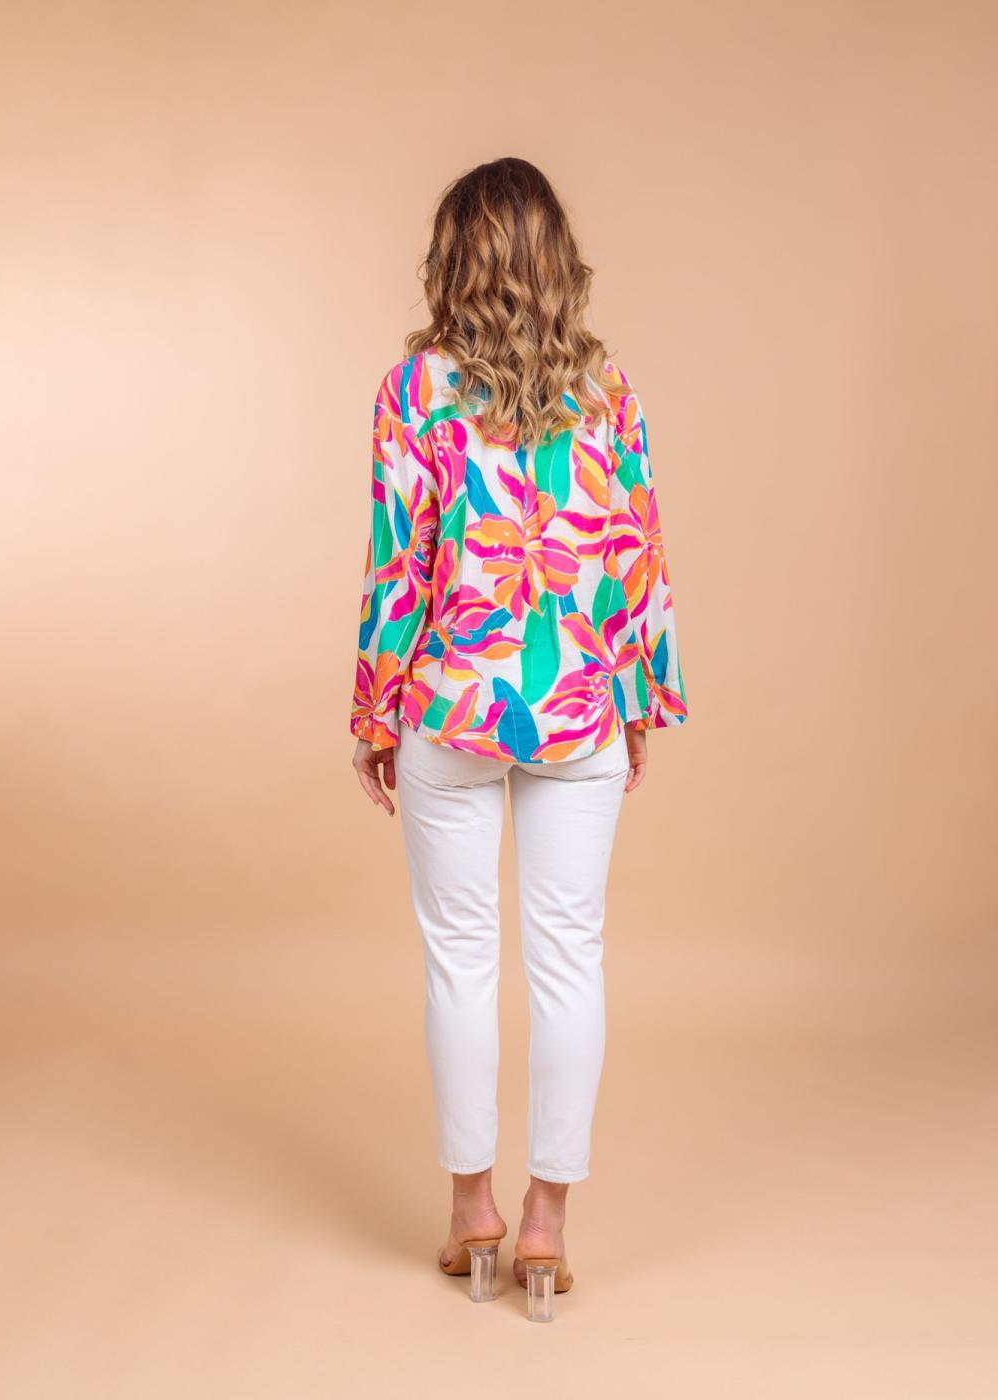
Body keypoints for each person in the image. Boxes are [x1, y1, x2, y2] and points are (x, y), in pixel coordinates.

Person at [349, 157, 688, 1321]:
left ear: (452, 260)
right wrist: (636, 699)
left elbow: (399, 563)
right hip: (577, 703)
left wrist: (373, 709)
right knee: (566, 957)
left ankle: (472, 1214)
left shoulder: (414, 390)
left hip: (451, 703)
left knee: (459, 957)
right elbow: (636, 557)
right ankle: (546, 1225)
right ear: (555, 263)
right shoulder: (608, 392)